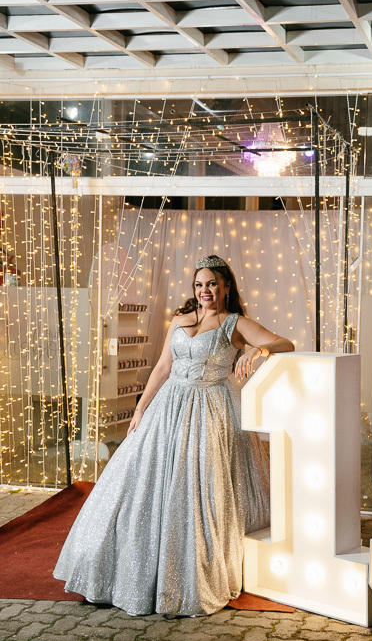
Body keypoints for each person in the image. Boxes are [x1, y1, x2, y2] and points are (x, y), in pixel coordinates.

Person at [54, 255, 295, 617]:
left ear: (226, 286)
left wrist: (259, 352)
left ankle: (187, 572)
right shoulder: (180, 321)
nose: (205, 291)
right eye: (199, 285)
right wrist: (140, 409)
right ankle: (120, 567)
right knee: (139, 481)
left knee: (200, 483)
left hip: (212, 405)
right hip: (169, 404)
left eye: (212, 284)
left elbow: (285, 343)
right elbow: (163, 367)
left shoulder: (235, 323)